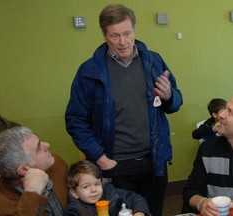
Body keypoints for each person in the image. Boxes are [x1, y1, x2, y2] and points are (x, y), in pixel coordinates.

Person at [65, 4, 183, 216]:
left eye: (127, 33)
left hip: (154, 162)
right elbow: (75, 121)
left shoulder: (153, 61)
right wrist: (101, 158)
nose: (122, 42)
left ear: (134, 30)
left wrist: (169, 96)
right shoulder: (89, 71)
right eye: (115, 35)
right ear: (104, 35)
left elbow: (175, 103)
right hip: (114, 165)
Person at [0, 126, 69, 215]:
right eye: (38, 148)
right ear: (24, 169)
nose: (47, 144)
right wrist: (32, 194)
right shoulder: (2, 207)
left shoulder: (55, 163)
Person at [65, 160, 151, 216]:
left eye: (97, 184)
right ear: (74, 193)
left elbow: (135, 198)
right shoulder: (75, 210)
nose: (94, 190)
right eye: (86, 186)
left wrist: (139, 212)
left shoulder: (110, 193)